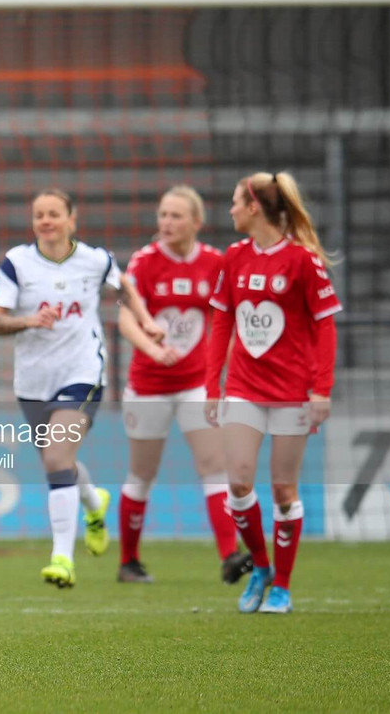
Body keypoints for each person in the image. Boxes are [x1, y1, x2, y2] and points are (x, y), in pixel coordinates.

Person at [0, 188, 163, 589]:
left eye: (53, 214)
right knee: (56, 460)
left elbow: (125, 284)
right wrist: (29, 321)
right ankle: (94, 502)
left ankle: (62, 559)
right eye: (39, 215)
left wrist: (146, 320)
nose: (46, 221)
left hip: (82, 373)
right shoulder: (17, 262)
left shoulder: (95, 260)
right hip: (32, 380)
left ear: (71, 219)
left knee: (56, 458)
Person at [204, 172, 340, 615]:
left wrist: (321, 389)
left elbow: (324, 326)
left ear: (254, 207)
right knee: (238, 480)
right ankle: (260, 567)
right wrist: (212, 384)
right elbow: (222, 321)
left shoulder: (303, 261)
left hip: (292, 394)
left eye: (234, 202)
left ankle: (282, 584)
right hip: (244, 387)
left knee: (284, 491)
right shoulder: (234, 257)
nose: (230, 211)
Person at [117, 186, 251, 584]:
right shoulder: (144, 262)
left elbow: (225, 323)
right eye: (162, 215)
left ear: (197, 221)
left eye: (176, 216)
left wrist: (224, 368)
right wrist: (152, 350)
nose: (167, 223)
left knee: (214, 468)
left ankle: (230, 556)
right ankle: (129, 562)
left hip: (195, 384)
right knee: (142, 474)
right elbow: (125, 318)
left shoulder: (214, 263)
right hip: (148, 384)